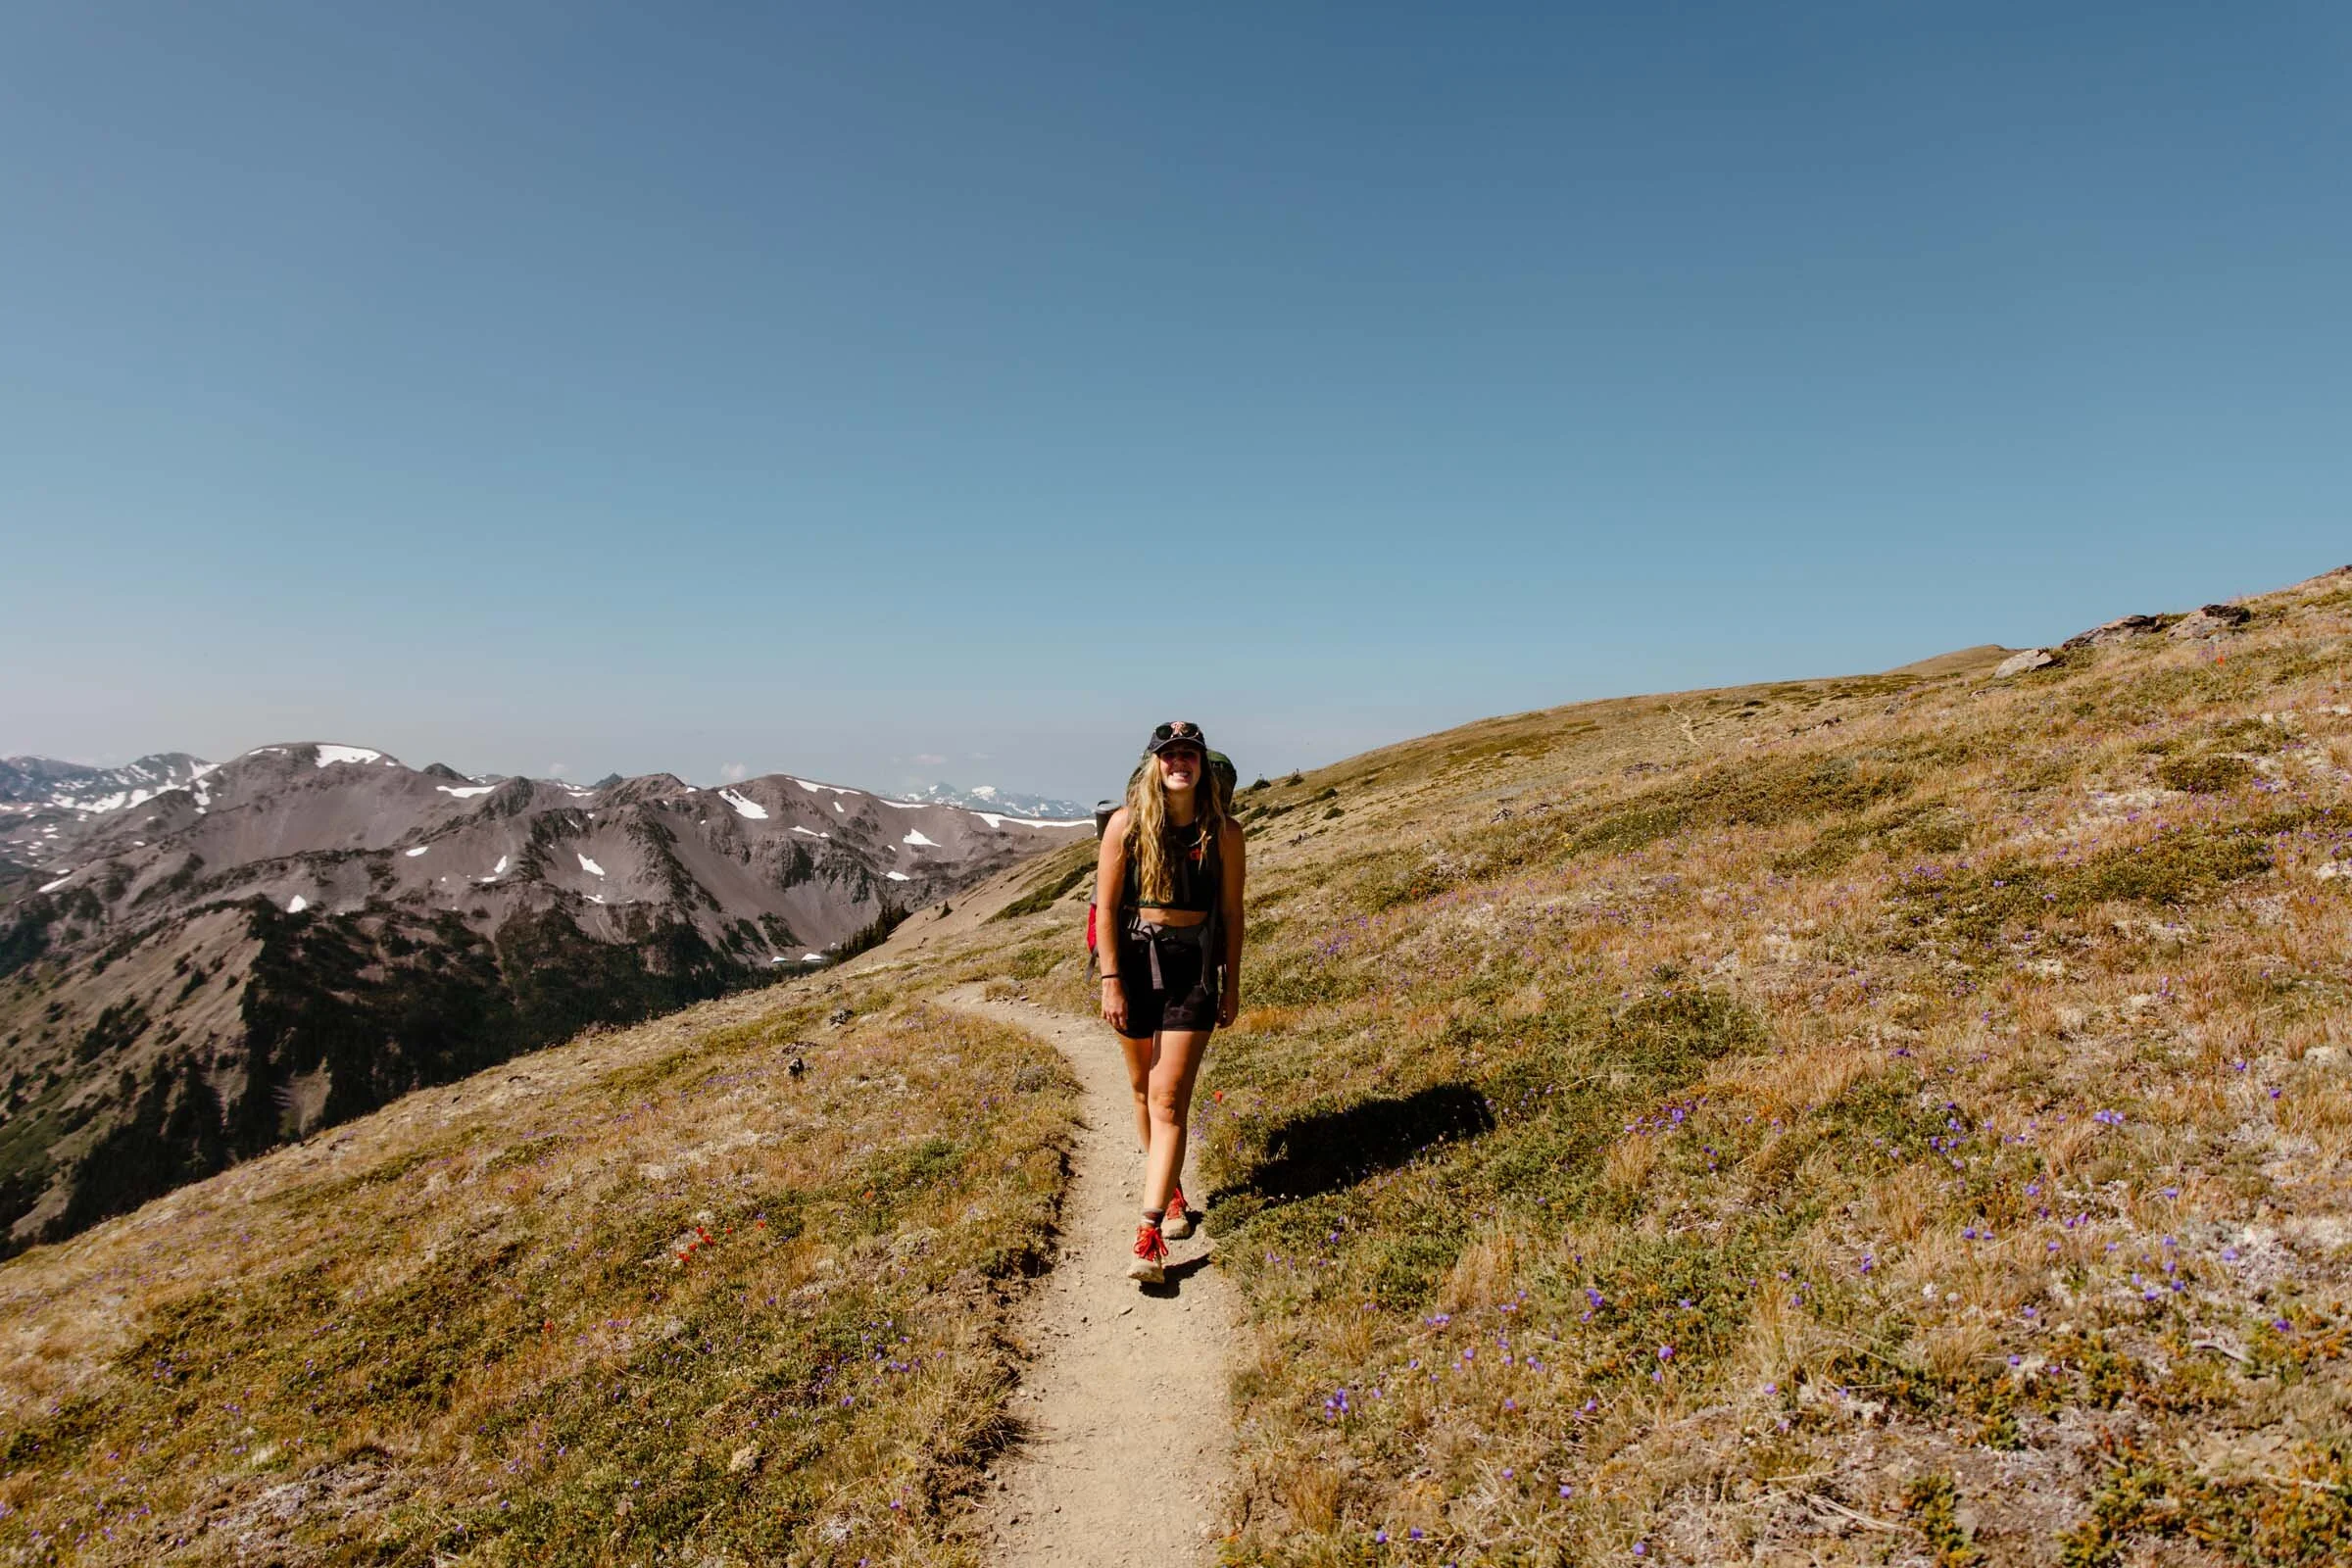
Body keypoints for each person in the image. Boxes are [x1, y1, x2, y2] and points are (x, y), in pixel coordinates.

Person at [1094, 720, 1246, 1285]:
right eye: (1170, 753)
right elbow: (1106, 909)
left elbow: (1232, 914)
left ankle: (1149, 1230)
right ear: (1155, 764)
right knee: (1141, 1089)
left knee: (1168, 1098)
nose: (1179, 761)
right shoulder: (1125, 826)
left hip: (1193, 972)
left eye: (1190, 753)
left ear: (1203, 765)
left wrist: (1230, 985)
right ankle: (1175, 1193)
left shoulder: (1226, 833)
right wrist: (1111, 979)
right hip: (1133, 966)